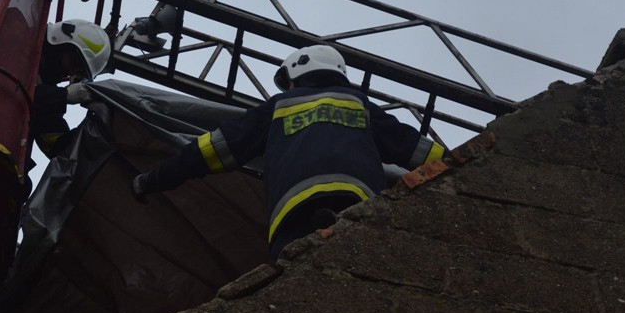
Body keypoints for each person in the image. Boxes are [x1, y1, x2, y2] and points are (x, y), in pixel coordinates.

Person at [131, 44, 445, 260]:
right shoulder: (360, 105)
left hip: (292, 211)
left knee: (294, 279)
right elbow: (421, 152)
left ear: (295, 75)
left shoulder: (278, 107)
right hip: (360, 202)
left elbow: (207, 152)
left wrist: (151, 180)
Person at [29, 19, 111, 159]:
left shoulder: (46, 93)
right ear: (61, 41)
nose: (70, 72)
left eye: (78, 71)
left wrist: (96, 123)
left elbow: (60, 149)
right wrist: (63, 96)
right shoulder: (19, 39)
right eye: (74, 62)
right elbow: (9, 93)